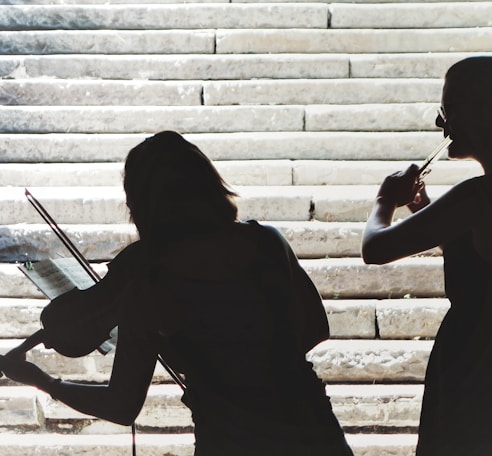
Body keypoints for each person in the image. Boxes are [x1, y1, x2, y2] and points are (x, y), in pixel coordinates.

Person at [0, 131, 353, 456]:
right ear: (207, 182)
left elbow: (122, 405)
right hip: (315, 432)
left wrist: (44, 381)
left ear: (140, 203)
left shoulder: (145, 272)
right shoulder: (266, 241)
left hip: (231, 441)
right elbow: (315, 328)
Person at [362, 56, 492, 455]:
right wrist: (424, 209)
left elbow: (376, 248)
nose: (441, 125)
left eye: (449, 111)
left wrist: (385, 201)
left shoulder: (476, 196)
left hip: (476, 358)